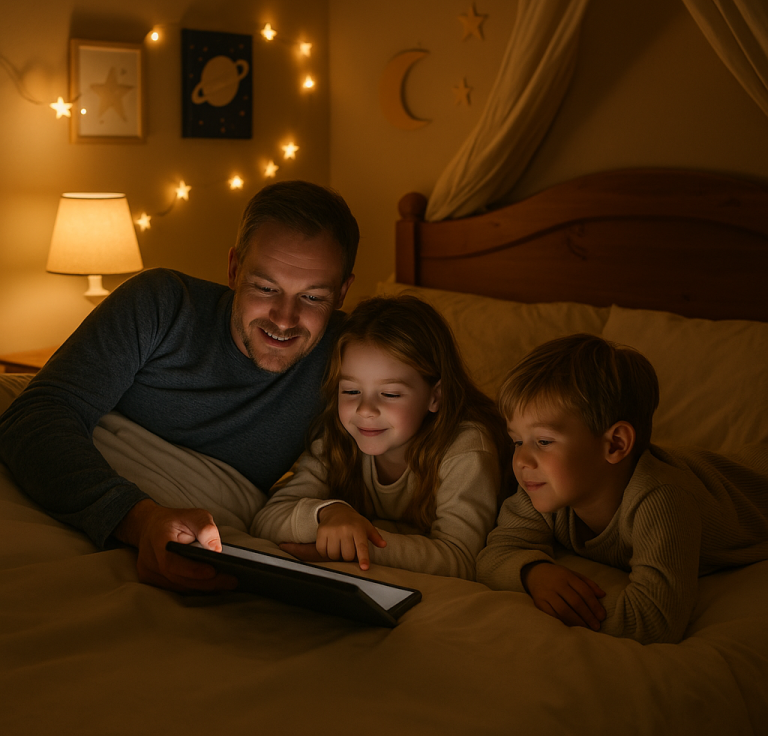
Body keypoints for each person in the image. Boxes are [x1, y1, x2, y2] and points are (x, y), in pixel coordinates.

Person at [0, 180, 359, 593]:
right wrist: (139, 518)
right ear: (233, 269)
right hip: (75, 483)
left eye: (313, 298)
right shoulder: (162, 303)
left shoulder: (348, 356)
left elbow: (430, 438)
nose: (283, 318)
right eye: (265, 287)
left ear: (343, 293)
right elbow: (36, 417)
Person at [476, 333, 768, 644]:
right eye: (517, 441)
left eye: (544, 441)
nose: (521, 459)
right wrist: (533, 573)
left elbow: (653, 620)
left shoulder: (662, 499)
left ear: (615, 444)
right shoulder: (545, 487)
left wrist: (572, 608)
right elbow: (494, 554)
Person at [251, 294, 511, 580]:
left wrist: (356, 545)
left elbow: (460, 558)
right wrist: (330, 513)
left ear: (435, 396)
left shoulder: (467, 448)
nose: (365, 410)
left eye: (389, 394)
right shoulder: (338, 437)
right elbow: (266, 520)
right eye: (350, 391)